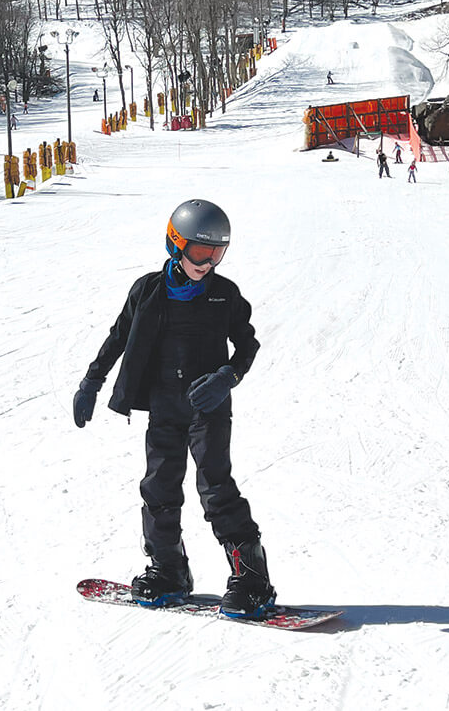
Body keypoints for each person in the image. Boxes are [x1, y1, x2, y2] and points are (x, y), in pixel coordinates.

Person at [72, 199, 276, 619]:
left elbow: (248, 344)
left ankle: (252, 578)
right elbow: (118, 337)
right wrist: (91, 382)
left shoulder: (224, 295)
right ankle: (168, 571)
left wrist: (227, 377)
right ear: (176, 244)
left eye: (217, 253)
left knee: (215, 488)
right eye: (201, 253)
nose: (208, 263)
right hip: (164, 405)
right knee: (159, 488)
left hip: (208, 407)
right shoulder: (147, 290)